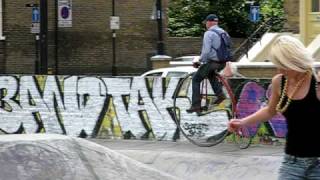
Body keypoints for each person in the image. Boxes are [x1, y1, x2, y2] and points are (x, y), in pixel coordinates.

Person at [228, 35, 320, 179]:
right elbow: (270, 111)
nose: (279, 71)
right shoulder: (279, 82)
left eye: (282, 66)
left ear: (295, 61)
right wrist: (242, 122)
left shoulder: (316, 83)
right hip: (292, 163)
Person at [186, 14, 228, 113]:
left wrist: (199, 61)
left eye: (206, 23)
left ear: (209, 22)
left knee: (196, 79)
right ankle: (220, 94)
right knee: (210, 74)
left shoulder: (209, 33)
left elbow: (206, 51)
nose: (206, 25)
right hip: (223, 63)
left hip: (213, 62)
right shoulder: (223, 32)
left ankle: (195, 105)